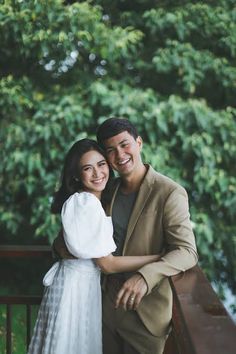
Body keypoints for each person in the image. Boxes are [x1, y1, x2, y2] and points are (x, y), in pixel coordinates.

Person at [54, 118, 198, 354]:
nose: (120, 154)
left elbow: (187, 251)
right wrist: (60, 247)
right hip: (102, 311)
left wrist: (145, 276)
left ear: (139, 143)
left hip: (145, 318)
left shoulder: (169, 192)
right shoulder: (106, 188)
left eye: (125, 144)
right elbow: (73, 232)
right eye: (110, 150)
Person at [27, 138, 162, 354]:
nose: (97, 173)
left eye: (101, 164)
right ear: (76, 175)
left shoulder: (95, 200)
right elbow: (107, 264)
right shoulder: (86, 202)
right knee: (68, 344)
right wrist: (158, 258)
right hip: (75, 288)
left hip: (81, 285)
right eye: (87, 168)